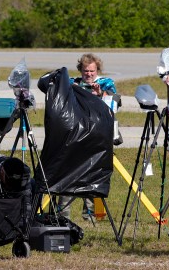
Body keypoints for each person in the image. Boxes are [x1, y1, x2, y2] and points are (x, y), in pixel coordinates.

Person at [60, 53, 117, 223]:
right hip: (75, 136)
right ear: (81, 70)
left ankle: (91, 214)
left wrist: (100, 95)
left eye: (92, 71)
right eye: (86, 71)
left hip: (97, 137)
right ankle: (63, 215)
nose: (89, 74)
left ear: (97, 69)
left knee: (93, 174)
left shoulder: (106, 84)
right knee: (67, 173)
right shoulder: (73, 84)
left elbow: (114, 105)